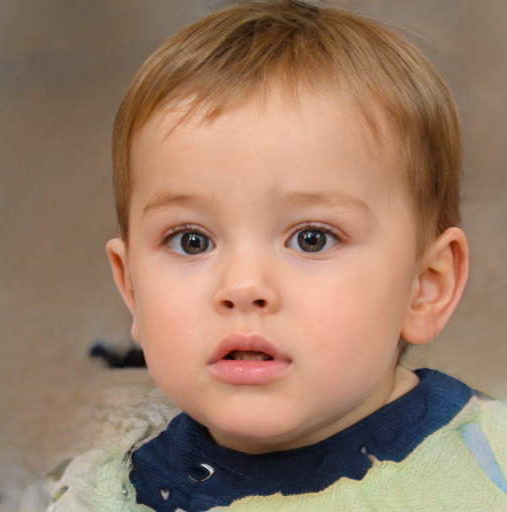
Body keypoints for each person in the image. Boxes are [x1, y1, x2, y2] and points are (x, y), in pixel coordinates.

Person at [27, 1, 507, 510]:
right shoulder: (103, 497)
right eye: (192, 240)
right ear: (132, 291)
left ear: (425, 286)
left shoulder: (488, 468)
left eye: (312, 238)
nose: (243, 286)